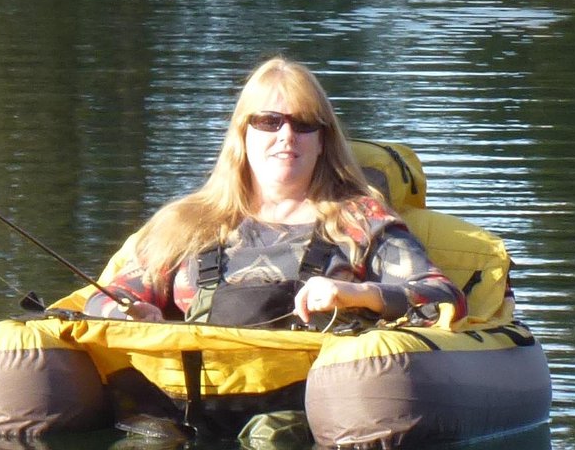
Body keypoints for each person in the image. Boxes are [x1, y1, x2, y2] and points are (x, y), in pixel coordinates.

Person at [85, 57, 464, 328]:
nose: (286, 136)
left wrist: (358, 294)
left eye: (303, 123)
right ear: (243, 135)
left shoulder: (361, 221)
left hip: (305, 405)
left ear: (322, 141)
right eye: (269, 121)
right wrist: (126, 312)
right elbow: (103, 297)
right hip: (190, 403)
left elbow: (443, 296)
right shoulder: (185, 222)